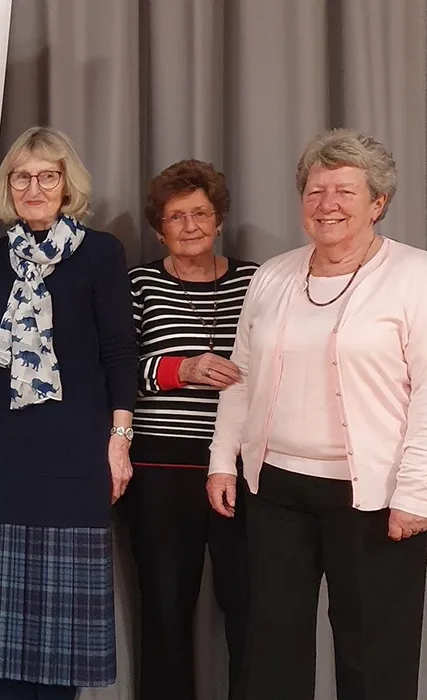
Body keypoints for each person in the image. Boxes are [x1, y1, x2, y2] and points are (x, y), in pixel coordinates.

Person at [208, 128, 427, 700]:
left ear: (378, 203)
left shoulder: (417, 275)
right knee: (270, 651)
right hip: (277, 489)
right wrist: (221, 461)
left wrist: (417, 490)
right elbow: (240, 375)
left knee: (373, 657)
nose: (326, 204)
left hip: (375, 495)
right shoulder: (274, 275)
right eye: (314, 191)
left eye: (344, 191)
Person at [0, 126, 137, 700]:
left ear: (68, 186)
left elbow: (118, 352)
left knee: (62, 655)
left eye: (48, 176)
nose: (34, 187)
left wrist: (119, 440)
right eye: (22, 176)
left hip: (74, 458)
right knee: (4, 651)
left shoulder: (101, 254)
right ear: (7, 186)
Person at [124, 160, 254, 700]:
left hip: (243, 470)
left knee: (252, 611)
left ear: (220, 220)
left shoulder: (257, 280)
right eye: (177, 216)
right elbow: (114, 371)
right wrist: (184, 369)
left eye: (202, 213)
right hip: (158, 469)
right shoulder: (139, 283)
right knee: (164, 610)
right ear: (160, 229)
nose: (191, 225)